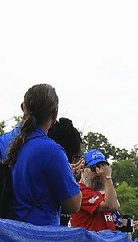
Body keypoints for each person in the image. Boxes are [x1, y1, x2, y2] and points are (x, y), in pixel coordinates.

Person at [0, 84, 80, 226]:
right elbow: (73, 205)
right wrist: (70, 177)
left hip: (6, 236)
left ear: (23, 107)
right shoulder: (52, 151)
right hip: (40, 241)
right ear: (54, 114)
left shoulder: (3, 142)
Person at [70, 149, 121, 232]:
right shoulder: (80, 191)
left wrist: (121, 224)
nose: (99, 173)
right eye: (95, 168)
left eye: (102, 168)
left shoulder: (99, 193)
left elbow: (115, 207)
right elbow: (111, 205)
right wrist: (107, 177)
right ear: (83, 169)